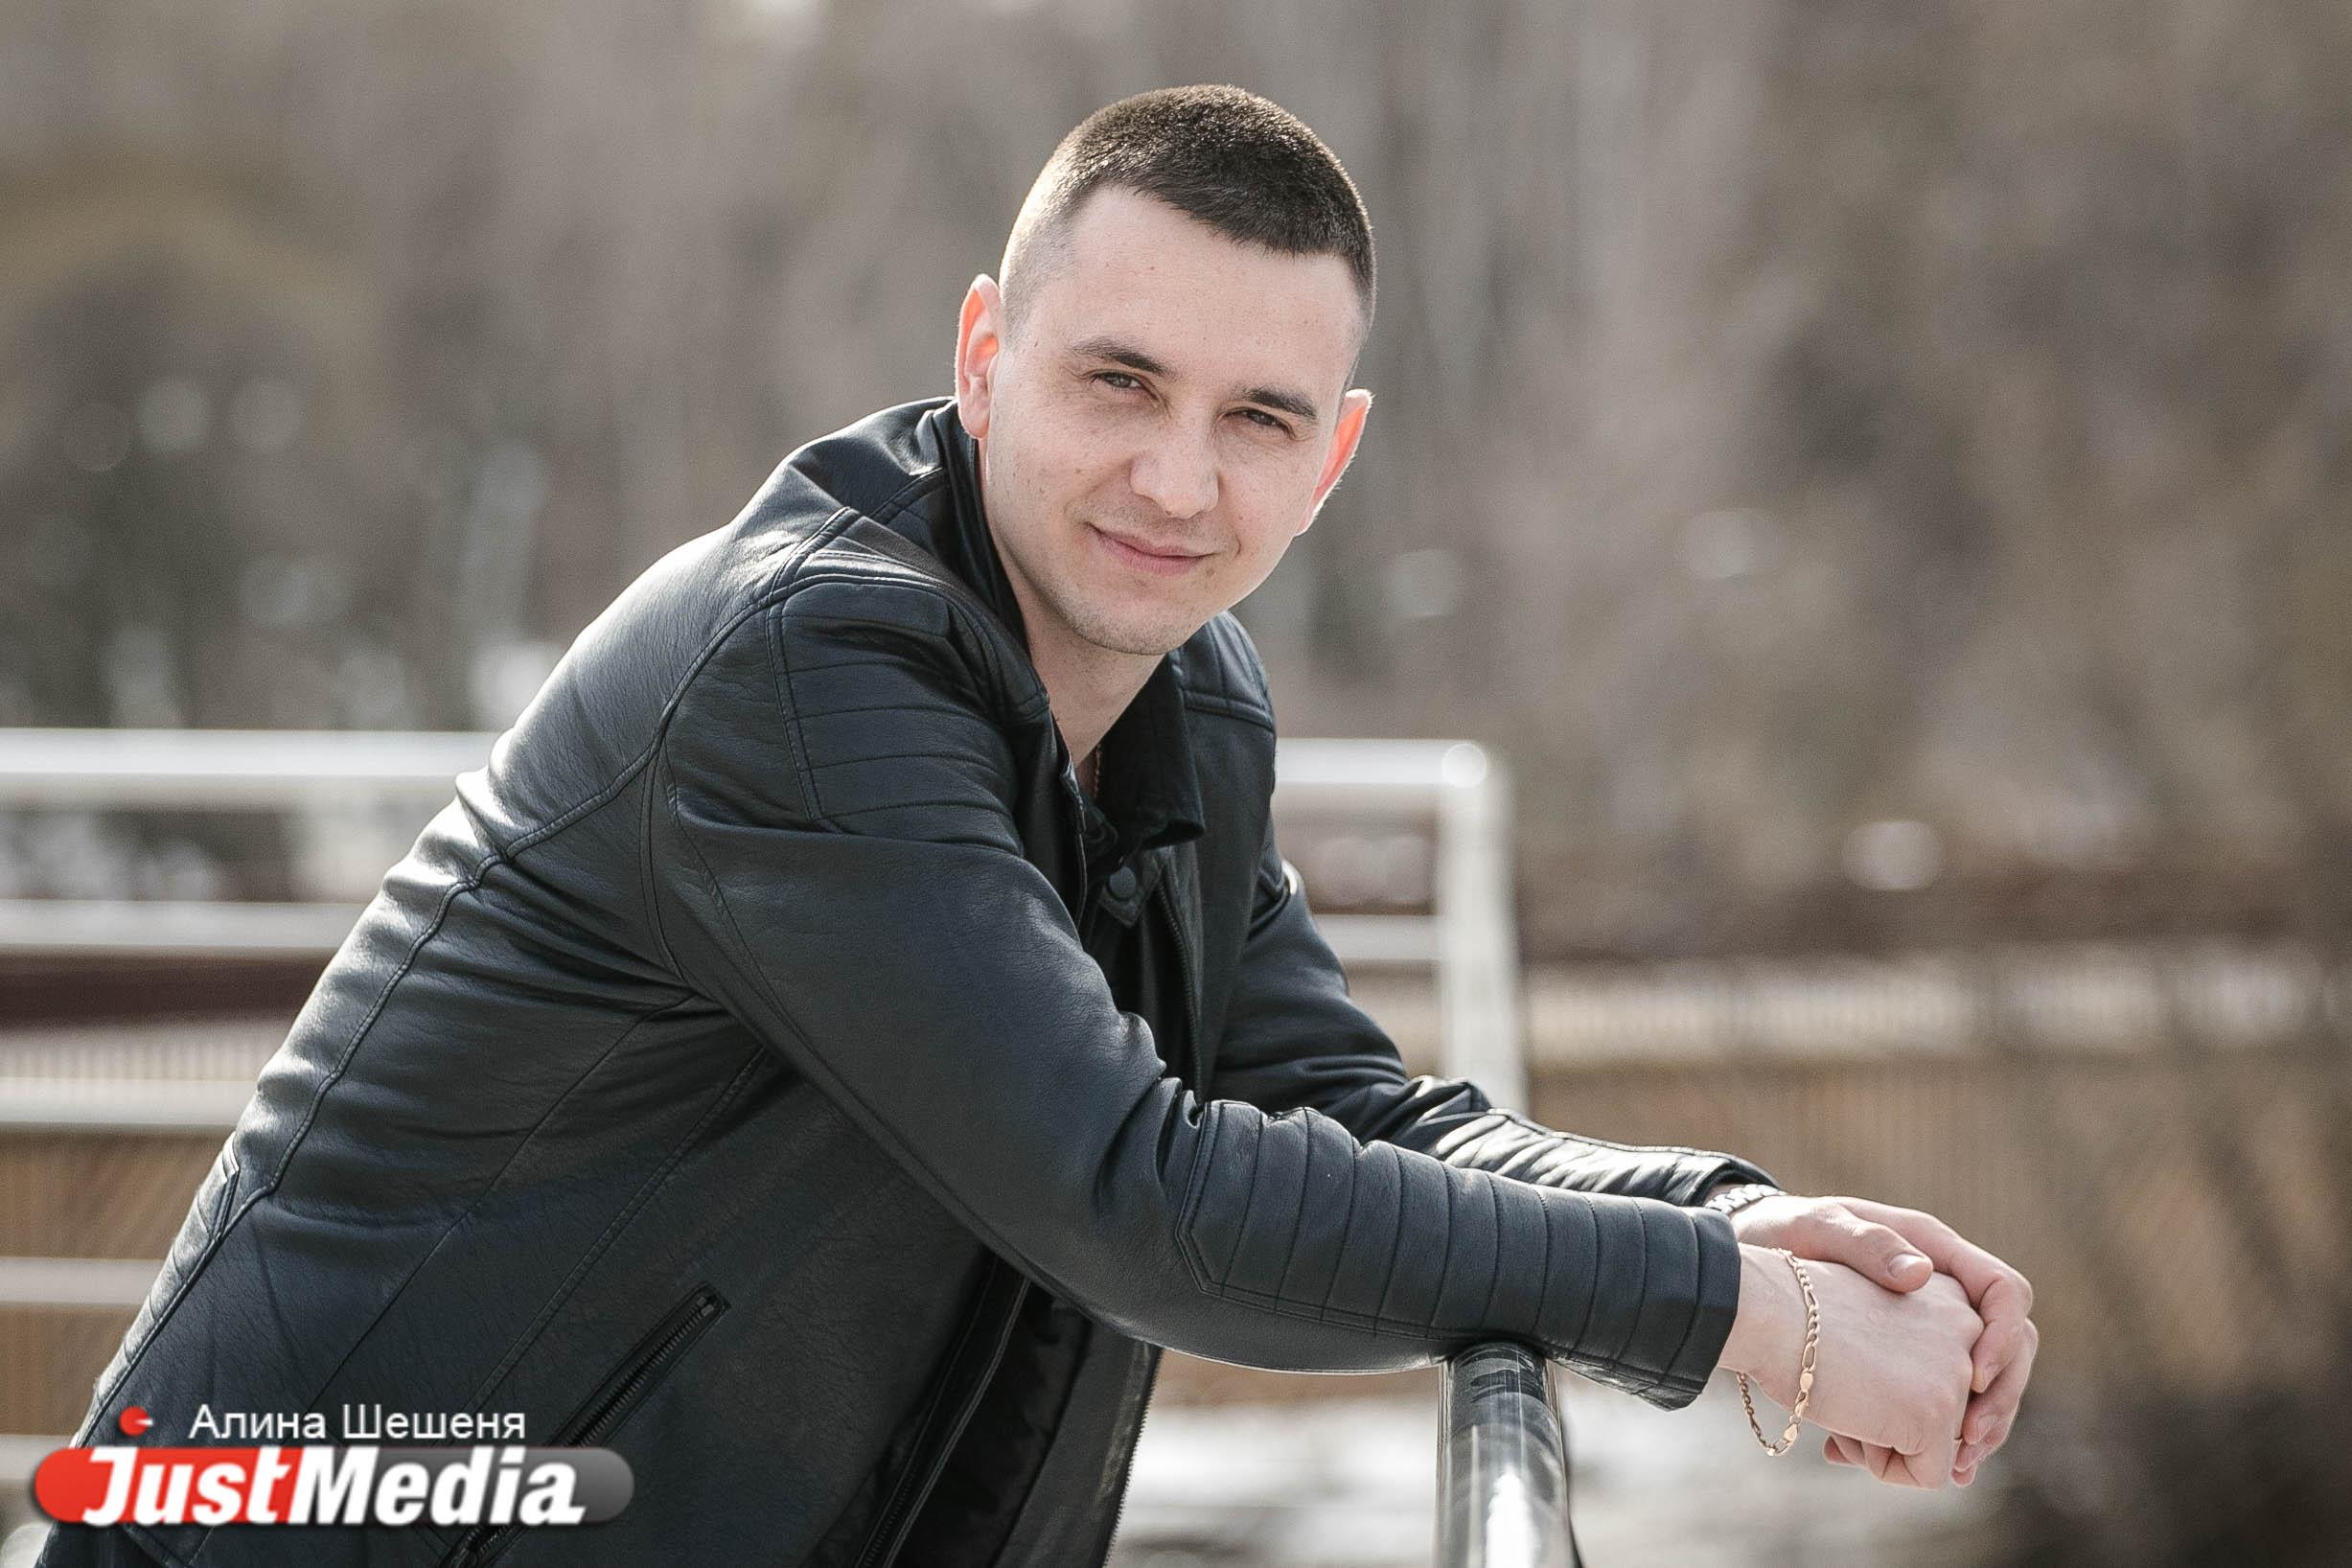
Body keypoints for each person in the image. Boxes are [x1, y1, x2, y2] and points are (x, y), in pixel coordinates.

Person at [41, 85, 2034, 1568]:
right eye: (1119, 382)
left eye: (1256, 417)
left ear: (1331, 457)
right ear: (984, 358)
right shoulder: (800, 669)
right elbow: (1128, 1187)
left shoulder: (1182, 703)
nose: (1177, 478)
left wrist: (1725, 1215)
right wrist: (1735, 1321)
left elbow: (1344, 1106)